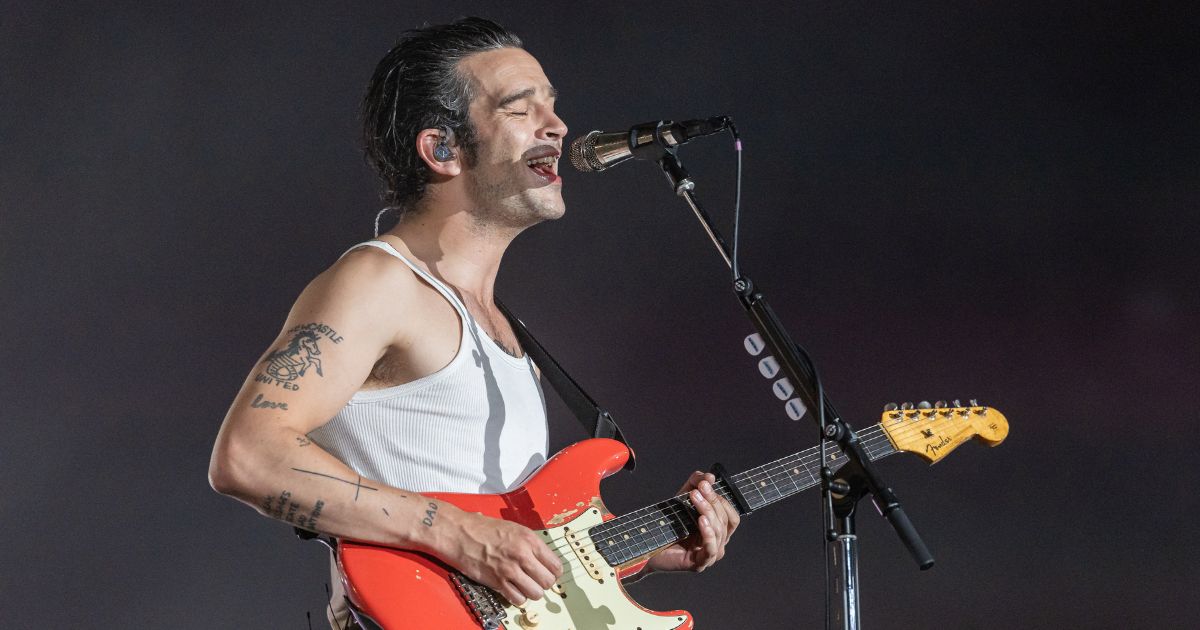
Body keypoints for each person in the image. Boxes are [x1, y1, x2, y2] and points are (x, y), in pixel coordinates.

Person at [208, 17, 739, 628]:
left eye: (553, 104)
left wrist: (642, 553)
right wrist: (457, 533)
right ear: (442, 150)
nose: (558, 125)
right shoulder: (381, 281)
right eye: (521, 108)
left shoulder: (501, 328)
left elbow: (501, 549)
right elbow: (248, 454)